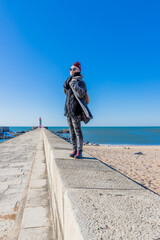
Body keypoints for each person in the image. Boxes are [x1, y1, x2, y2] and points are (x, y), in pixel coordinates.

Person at [63, 61, 87, 159]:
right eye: (70, 69)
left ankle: (79, 151)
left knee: (77, 130)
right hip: (68, 109)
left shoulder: (80, 82)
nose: (71, 71)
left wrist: (74, 83)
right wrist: (70, 83)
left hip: (76, 110)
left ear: (79, 70)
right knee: (71, 131)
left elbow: (81, 94)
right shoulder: (67, 83)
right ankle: (74, 149)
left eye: (74, 69)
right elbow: (66, 94)